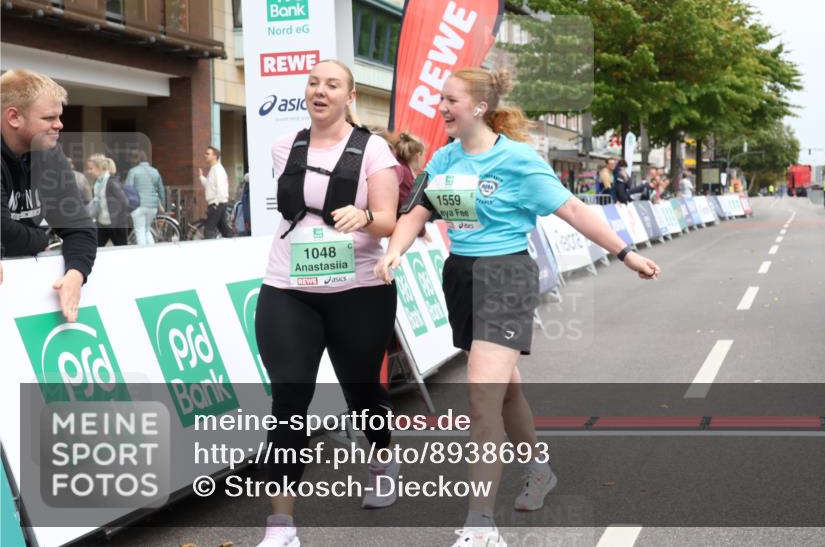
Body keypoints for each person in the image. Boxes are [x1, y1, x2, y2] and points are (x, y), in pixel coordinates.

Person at [374, 67, 661, 547]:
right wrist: (394, 251)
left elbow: (571, 209)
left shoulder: (518, 161)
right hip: (461, 276)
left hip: (505, 275)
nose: (441, 108)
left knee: (481, 397)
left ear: (479, 108)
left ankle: (480, 525)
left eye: (450, 100)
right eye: (440, 100)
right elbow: (416, 212)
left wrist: (626, 252)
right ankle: (539, 469)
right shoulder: (444, 158)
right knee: (505, 392)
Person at [251, 59, 400, 547]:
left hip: (358, 290)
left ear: (349, 96)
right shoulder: (284, 146)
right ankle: (281, 526)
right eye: (314, 82)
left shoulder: (373, 149)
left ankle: (381, 455)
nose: (320, 90)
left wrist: (364, 215)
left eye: (332, 84)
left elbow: (388, 221)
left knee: (361, 392)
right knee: (289, 399)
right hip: (288, 287)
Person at [1, 69, 97, 322]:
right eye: (48, 117)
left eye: (59, 116)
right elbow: (5, 233)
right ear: (14, 117)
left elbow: (79, 226)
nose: (59, 124)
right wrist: (42, 239)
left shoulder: (49, 152)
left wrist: (76, 274)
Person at [86, 154, 129, 247]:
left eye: (91, 168)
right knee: (95, 249)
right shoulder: (98, 182)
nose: (88, 171)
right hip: (101, 224)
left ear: (99, 168)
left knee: (121, 251)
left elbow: (125, 202)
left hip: (115, 225)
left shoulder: (111, 182)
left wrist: (118, 221)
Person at [125, 150, 165, 246]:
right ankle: (151, 253)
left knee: (139, 231)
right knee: (146, 230)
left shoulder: (133, 171)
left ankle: (142, 255)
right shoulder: (155, 171)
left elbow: (128, 189)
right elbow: (161, 190)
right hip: (152, 207)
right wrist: (162, 204)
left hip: (138, 206)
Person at [199, 146, 233, 239]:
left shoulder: (217, 169)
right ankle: (235, 245)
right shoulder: (214, 169)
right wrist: (201, 177)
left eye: (208, 154)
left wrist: (216, 203)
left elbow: (221, 188)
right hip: (218, 203)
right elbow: (210, 186)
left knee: (208, 229)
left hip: (217, 203)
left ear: (215, 156)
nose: (205, 155)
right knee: (225, 230)